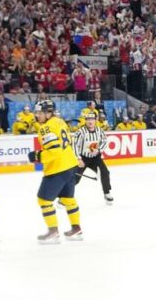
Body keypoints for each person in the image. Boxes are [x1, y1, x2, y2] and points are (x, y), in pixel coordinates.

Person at [27, 99, 83, 243]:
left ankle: (53, 232)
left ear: (48, 113)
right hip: (70, 165)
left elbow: (54, 151)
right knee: (68, 199)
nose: (37, 115)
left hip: (57, 168)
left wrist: (37, 156)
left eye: (40, 112)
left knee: (43, 200)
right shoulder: (60, 121)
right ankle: (76, 229)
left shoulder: (45, 128)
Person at [72, 113, 113, 204]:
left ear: (95, 120)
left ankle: (107, 193)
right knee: (76, 178)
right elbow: (74, 145)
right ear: (85, 121)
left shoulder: (99, 130)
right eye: (88, 119)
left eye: (92, 119)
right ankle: (65, 196)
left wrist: (98, 149)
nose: (90, 121)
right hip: (83, 158)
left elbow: (105, 141)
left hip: (95, 158)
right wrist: (78, 159)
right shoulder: (80, 132)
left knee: (105, 172)